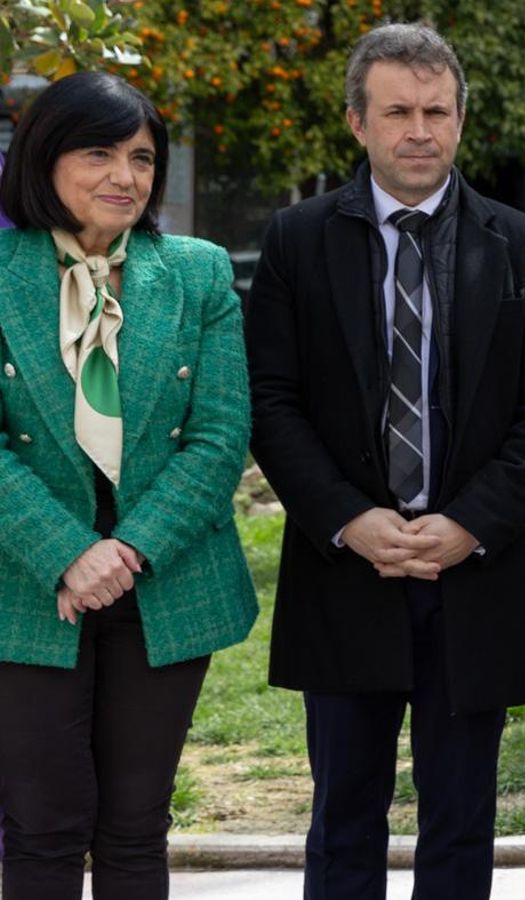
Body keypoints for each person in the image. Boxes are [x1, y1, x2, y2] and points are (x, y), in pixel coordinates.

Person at [244, 23, 525, 900]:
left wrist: (470, 522)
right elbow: (270, 403)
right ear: (358, 123)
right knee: (343, 821)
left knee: (463, 825)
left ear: (461, 119)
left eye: (437, 110)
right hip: (346, 568)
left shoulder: (522, 246)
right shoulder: (297, 241)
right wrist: (348, 521)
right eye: (398, 111)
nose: (420, 130)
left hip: (474, 572)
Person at [0, 71, 256, 898]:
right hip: (24, 586)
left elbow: (220, 438)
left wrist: (130, 549)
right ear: (43, 160)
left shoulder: (197, 272)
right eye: (99, 152)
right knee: (40, 828)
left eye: (142, 157)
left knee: (138, 828)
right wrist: (70, 552)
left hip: (166, 582)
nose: (125, 175)